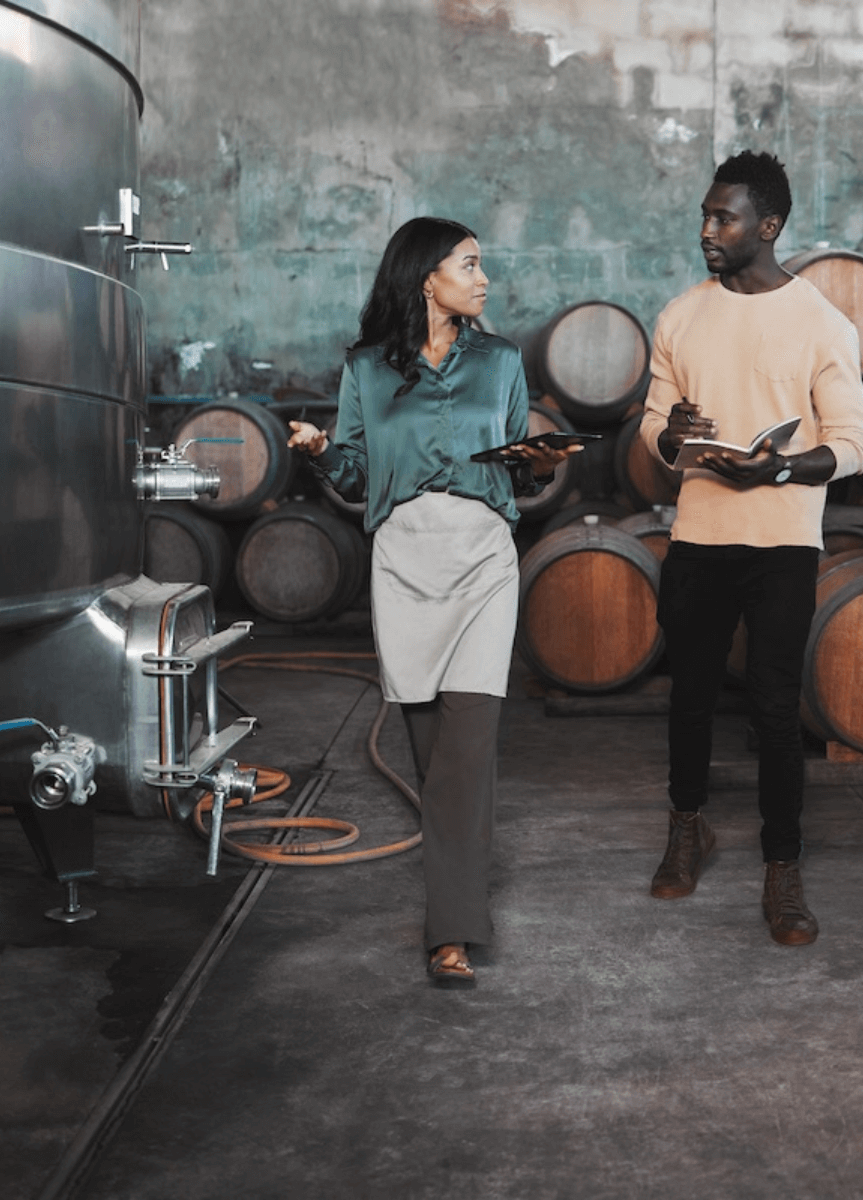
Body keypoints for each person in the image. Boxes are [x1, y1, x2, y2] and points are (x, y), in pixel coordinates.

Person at [288, 217, 578, 987]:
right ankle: (455, 907)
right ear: (427, 277)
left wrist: (537, 464)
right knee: (432, 760)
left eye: (482, 267)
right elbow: (354, 475)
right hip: (405, 561)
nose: (484, 280)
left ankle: (449, 932)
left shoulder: (503, 361)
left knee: (468, 751)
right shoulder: (367, 369)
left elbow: (517, 469)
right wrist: (322, 455)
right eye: (470, 265)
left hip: (483, 556)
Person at [637, 151, 863, 945]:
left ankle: (784, 867)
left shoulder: (822, 324)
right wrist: (670, 436)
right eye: (705, 214)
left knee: (774, 707)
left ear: (767, 227)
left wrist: (779, 468)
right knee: (691, 697)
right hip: (700, 533)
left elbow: (852, 445)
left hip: (781, 543)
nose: (706, 229)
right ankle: (687, 826)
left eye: (722, 217)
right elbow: (653, 428)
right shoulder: (679, 316)